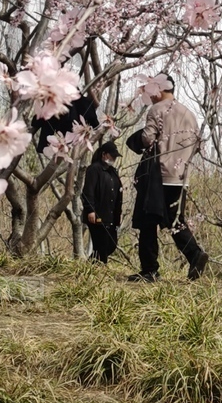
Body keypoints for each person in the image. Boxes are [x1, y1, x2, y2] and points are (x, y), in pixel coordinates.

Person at [127, 77, 208, 281]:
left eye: (152, 89)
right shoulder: (189, 113)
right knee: (174, 220)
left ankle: (150, 270)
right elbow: (197, 146)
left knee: (148, 221)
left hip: (159, 176)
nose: (150, 94)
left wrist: (137, 140)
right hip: (181, 177)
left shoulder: (157, 110)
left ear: (160, 89)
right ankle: (194, 254)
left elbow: (147, 138)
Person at [81, 138, 123, 263]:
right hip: (97, 214)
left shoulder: (113, 172)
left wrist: (118, 215)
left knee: (111, 244)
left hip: (111, 215)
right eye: (112, 155)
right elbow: (88, 191)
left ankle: (91, 264)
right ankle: (99, 269)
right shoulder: (94, 169)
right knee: (101, 245)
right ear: (104, 154)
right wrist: (90, 210)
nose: (114, 159)